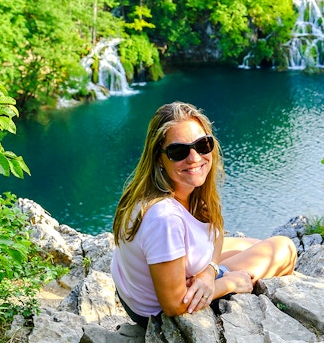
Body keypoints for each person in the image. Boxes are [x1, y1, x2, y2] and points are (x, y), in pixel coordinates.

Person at [111, 102, 297, 328]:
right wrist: (227, 283)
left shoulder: (177, 190)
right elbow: (174, 304)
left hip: (135, 291)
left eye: (202, 145)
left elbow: (216, 234)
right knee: (284, 248)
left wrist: (209, 272)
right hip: (158, 312)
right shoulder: (164, 218)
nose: (194, 158)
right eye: (178, 151)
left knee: (256, 245)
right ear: (159, 158)